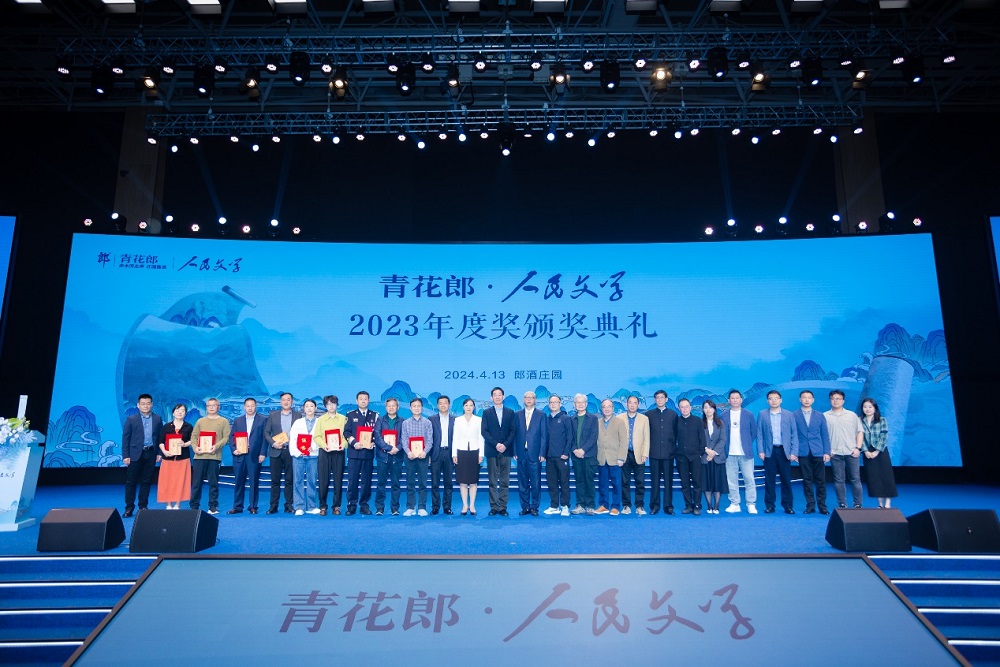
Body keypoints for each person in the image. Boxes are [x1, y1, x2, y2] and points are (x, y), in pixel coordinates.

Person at [757, 390, 799, 514]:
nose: (774, 401)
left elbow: (794, 434)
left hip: (784, 451)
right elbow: (760, 434)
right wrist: (760, 450)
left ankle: (788, 506)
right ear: (767, 401)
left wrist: (794, 452)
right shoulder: (762, 414)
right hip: (769, 451)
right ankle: (770, 505)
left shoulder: (789, 414)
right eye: (771, 398)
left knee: (786, 480)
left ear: (781, 400)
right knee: (769, 480)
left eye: (776, 398)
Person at [121, 393, 163, 517]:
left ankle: (143, 506)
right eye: (143, 404)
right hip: (134, 454)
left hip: (151, 453)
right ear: (138, 405)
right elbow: (126, 438)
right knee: (131, 482)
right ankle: (129, 508)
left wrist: (159, 453)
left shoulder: (157, 419)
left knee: (146, 481)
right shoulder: (131, 419)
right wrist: (125, 455)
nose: (146, 406)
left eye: (148, 403)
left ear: (152, 404)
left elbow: (160, 437)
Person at [190, 397, 231, 515]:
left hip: (214, 457)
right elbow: (194, 437)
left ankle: (213, 506)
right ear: (206, 407)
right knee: (196, 483)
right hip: (199, 457)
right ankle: (194, 506)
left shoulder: (224, 421)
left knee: (213, 483)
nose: (211, 407)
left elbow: (226, 438)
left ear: (218, 407)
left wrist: (216, 446)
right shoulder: (200, 421)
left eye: (214, 405)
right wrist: (195, 448)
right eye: (209, 405)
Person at [793, 390, 831, 514]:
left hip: (818, 450)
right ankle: (810, 505)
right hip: (802, 451)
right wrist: (794, 452)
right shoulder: (794, 415)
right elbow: (793, 436)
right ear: (800, 399)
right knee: (806, 480)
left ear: (813, 400)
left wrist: (827, 452)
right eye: (804, 397)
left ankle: (822, 506)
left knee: (821, 480)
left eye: (809, 397)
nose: (806, 400)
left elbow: (825, 435)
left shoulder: (820, 415)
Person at [721, 389, 759, 514]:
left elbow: (754, 432)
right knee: (731, 481)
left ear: (741, 400)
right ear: (729, 400)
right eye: (732, 398)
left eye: (737, 398)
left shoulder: (749, 415)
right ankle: (734, 503)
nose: (735, 400)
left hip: (745, 454)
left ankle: (751, 504)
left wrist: (746, 443)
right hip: (729, 454)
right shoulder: (724, 415)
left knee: (749, 479)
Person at [825, 389, 864, 509]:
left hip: (851, 452)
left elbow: (860, 432)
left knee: (855, 479)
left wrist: (858, 448)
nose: (835, 401)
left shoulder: (851, 415)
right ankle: (842, 503)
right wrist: (827, 450)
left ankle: (858, 503)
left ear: (843, 401)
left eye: (838, 399)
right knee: (838, 480)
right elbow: (823, 435)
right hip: (835, 453)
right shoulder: (825, 416)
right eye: (833, 398)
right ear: (830, 400)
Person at [263, 392, 301, 514]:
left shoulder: (298, 415)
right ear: (280, 402)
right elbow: (266, 432)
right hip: (276, 451)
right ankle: (273, 506)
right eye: (284, 400)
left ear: (292, 402)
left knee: (290, 480)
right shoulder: (273, 415)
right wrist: (273, 443)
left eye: (288, 399)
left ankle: (288, 505)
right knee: (275, 480)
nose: (286, 402)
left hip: (291, 451)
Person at [481, 387, 516, 516]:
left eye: (499, 394)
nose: (497, 397)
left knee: (505, 481)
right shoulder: (486, 412)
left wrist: (505, 445)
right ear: (491, 398)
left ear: (503, 397)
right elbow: (484, 431)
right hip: (492, 450)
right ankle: (494, 507)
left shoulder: (510, 412)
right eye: (495, 395)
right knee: (492, 481)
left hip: (506, 451)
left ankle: (502, 507)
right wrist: (496, 444)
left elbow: (513, 431)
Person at [229, 397, 267, 514]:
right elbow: (232, 437)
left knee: (254, 482)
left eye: (252, 406)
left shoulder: (263, 420)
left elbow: (265, 438)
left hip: (254, 455)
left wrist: (262, 453)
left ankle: (253, 506)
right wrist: (234, 449)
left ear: (256, 406)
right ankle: (237, 506)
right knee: (238, 481)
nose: (250, 408)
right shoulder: (238, 420)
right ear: (244, 407)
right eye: (248, 406)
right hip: (239, 455)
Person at [344, 391, 379, 516]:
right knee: (352, 480)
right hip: (354, 453)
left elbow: (377, 433)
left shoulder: (374, 415)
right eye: (361, 399)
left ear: (368, 400)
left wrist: (373, 442)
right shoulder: (350, 415)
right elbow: (346, 432)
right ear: (356, 401)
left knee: (366, 481)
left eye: (365, 399)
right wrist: (354, 443)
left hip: (367, 453)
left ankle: (364, 505)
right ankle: (351, 505)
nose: (363, 401)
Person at [514, 391, 548, 516]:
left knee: (535, 483)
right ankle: (525, 507)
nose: (529, 399)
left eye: (531, 397)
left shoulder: (541, 415)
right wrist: (514, 451)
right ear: (523, 400)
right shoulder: (517, 415)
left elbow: (544, 436)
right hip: (521, 454)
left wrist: (542, 453)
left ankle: (534, 507)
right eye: (527, 397)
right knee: (522, 483)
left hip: (535, 454)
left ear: (535, 400)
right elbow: (514, 435)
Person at [861, 398, 898, 508]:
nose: (867, 409)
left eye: (870, 407)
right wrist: (865, 451)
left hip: (881, 452)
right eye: (865, 407)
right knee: (875, 478)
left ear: (875, 408)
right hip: (867, 452)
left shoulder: (882, 420)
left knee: (886, 476)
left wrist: (877, 451)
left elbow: (884, 436)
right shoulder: (860, 421)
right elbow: (859, 437)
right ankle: (880, 504)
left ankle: (888, 503)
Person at [646, 390, 678, 515]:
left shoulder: (673, 414)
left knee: (668, 482)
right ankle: (654, 506)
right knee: (655, 482)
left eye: (662, 397)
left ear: (666, 399)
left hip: (669, 454)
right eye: (657, 398)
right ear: (655, 400)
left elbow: (676, 434)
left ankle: (668, 506)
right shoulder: (649, 415)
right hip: (654, 454)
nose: (659, 400)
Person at [315, 395, 347, 516]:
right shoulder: (321, 420)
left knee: (338, 480)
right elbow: (316, 436)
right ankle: (323, 506)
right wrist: (324, 445)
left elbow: (346, 435)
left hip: (338, 452)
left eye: (333, 403)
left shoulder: (343, 419)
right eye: (328, 404)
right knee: (323, 480)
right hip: (325, 452)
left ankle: (336, 506)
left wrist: (343, 444)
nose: (331, 406)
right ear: (325, 406)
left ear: (337, 405)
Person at [401, 397, 434, 516]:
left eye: (418, 406)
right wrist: (408, 452)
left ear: (422, 408)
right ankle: (410, 507)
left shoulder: (427, 422)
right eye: (414, 406)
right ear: (410, 408)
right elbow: (403, 440)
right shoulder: (405, 423)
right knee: (410, 482)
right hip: (409, 456)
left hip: (422, 457)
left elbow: (430, 440)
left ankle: (422, 507)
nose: (416, 408)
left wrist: (424, 452)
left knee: (422, 483)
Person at [452, 398, 485, 516]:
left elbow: (481, 438)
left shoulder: (478, 420)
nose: (469, 407)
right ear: (463, 407)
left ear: (474, 407)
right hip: (461, 452)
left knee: (473, 481)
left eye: (471, 405)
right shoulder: (458, 420)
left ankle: (472, 505)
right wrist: (454, 454)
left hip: (474, 452)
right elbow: (455, 438)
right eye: (466, 405)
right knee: (463, 481)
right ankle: (465, 505)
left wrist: (481, 454)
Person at [156, 403, 192, 510]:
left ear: (185, 413)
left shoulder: (189, 427)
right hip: (168, 458)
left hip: (183, 458)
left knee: (180, 481)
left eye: (182, 410)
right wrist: (164, 451)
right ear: (173, 413)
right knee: (167, 481)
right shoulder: (166, 427)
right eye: (177, 410)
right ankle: (168, 504)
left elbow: (193, 440)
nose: (180, 412)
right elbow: (160, 442)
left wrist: (184, 444)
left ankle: (177, 504)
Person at [619, 395, 650, 515]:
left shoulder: (644, 419)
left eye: (635, 403)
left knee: (640, 482)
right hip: (624, 454)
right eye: (630, 403)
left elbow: (647, 438)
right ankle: (626, 505)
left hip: (639, 454)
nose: (632, 405)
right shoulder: (619, 418)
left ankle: (639, 506)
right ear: (626, 404)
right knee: (624, 482)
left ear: (638, 405)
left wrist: (645, 453)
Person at [373, 397, 405, 516]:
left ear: (397, 407)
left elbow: (404, 437)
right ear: (386, 407)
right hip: (383, 457)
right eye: (389, 406)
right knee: (381, 483)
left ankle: (395, 508)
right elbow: (377, 437)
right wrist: (389, 448)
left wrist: (397, 448)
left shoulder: (402, 421)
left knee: (396, 484)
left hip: (397, 457)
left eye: (393, 405)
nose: (391, 407)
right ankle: (379, 508)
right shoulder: (380, 420)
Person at [596, 399, 628, 516]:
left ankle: (615, 506)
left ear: (613, 408)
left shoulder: (619, 422)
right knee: (602, 484)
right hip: (601, 458)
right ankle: (604, 505)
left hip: (615, 459)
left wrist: (621, 458)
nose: (607, 409)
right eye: (604, 406)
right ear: (601, 409)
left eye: (609, 406)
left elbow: (623, 441)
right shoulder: (597, 422)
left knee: (616, 484)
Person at [289, 399, 320, 515]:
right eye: (307, 406)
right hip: (299, 456)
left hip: (313, 456)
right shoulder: (298, 422)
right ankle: (299, 507)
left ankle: (312, 506)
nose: (309, 408)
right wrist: (297, 452)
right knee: (298, 481)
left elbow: (321, 438)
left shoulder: (319, 422)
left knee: (312, 481)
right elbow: (293, 438)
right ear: (303, 408)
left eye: (311, 406)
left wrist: (314, 447)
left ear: (315, 408)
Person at [569, 393, 599, 515]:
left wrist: (583, 450)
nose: (580, 404)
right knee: (579, 481)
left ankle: (590, 505)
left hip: (589, 456)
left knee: (589, 481)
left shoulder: (593, 419)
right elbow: (570, 438)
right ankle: (580, 504)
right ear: (574, 405)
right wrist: (575, 450)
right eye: (578, 402)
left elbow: (593, 437)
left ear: (586, 404)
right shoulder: (571, 419)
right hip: (576, 456)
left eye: (582, 402)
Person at [544, 395, 573, 516]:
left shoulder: (566, 418)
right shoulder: (546, 419)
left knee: (564, 482)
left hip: (562, 457)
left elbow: (570, 437)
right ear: (548, 404)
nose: (553, 404)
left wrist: (566, 452)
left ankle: (565, 506)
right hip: (549, 457)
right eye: (551, 402)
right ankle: (554, 505)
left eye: (556, 402)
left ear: (560, 403)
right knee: (552, 482)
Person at [676, 398, 706, 515]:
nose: (685, 409)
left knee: (697, 482)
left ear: (690, 407)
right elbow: (673, 438)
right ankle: (688, 505)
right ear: (679, 408)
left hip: (695, 457)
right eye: (682, 407)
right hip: (681, 458)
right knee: (685, 483)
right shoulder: (676, 421)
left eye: (686, 406)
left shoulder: (697, 421)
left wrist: (699, 453)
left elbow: (702, 439)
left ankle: (697, 505)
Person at [430, 395, 456, 515]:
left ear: (449, 405)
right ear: (437, 405)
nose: (443, 405)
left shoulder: (455, 420)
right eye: (440, 403)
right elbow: (429, 438)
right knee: (435, 482)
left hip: (450, 453)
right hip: (436, 453)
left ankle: (447, 507)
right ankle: (435, 507)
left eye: (445, 403)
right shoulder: (431, 419)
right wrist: (429, 455)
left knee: (448, 482)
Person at [701, 400, 728, 514]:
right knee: (706, 483)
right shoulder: (699, 423)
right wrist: (706, 450)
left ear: (714, 409)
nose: (708, 410)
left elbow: (723, 439)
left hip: (718, 458)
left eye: (710, 407)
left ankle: (716, 506)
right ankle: (709, 505)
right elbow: (697, 440)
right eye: (706, 407)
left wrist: (713, 452)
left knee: (717, 483)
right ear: (703, 409)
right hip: (704, 458)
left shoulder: (720, 423)